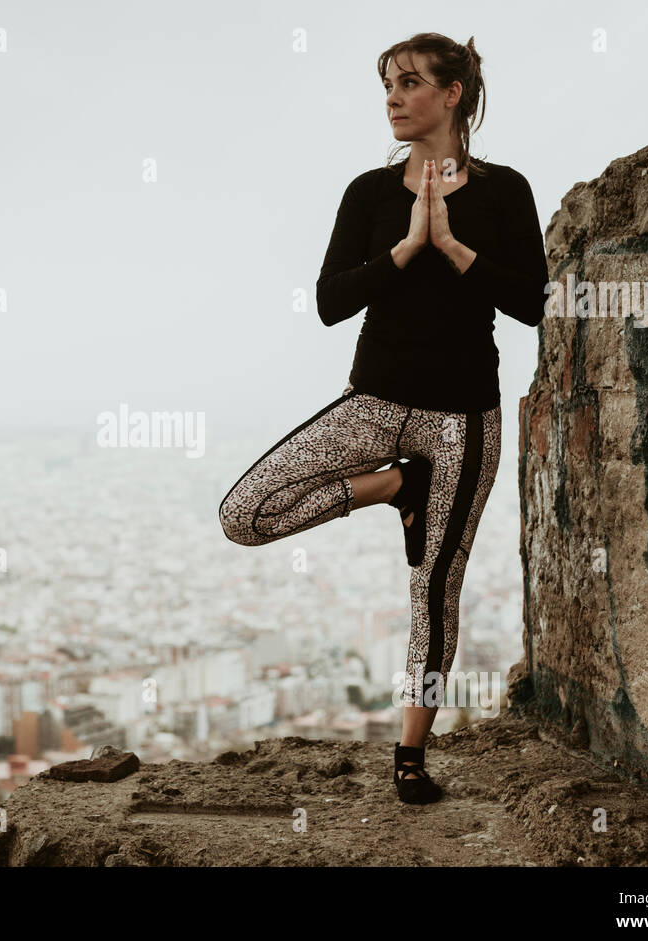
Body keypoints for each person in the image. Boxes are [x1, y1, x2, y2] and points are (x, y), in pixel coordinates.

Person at [217, 32, 550, 804]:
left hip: (463, 417)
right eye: (388, 87)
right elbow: (332, 302)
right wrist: (406, 248)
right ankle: (388, 489)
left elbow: (534, 303)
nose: (394, 98)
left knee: (434, 590)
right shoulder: (369, 192)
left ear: (453, 93)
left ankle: (409, 755)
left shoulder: (504, 191)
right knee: (244, 512)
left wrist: (454, 248)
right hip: (373, 407)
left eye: (408, 83)